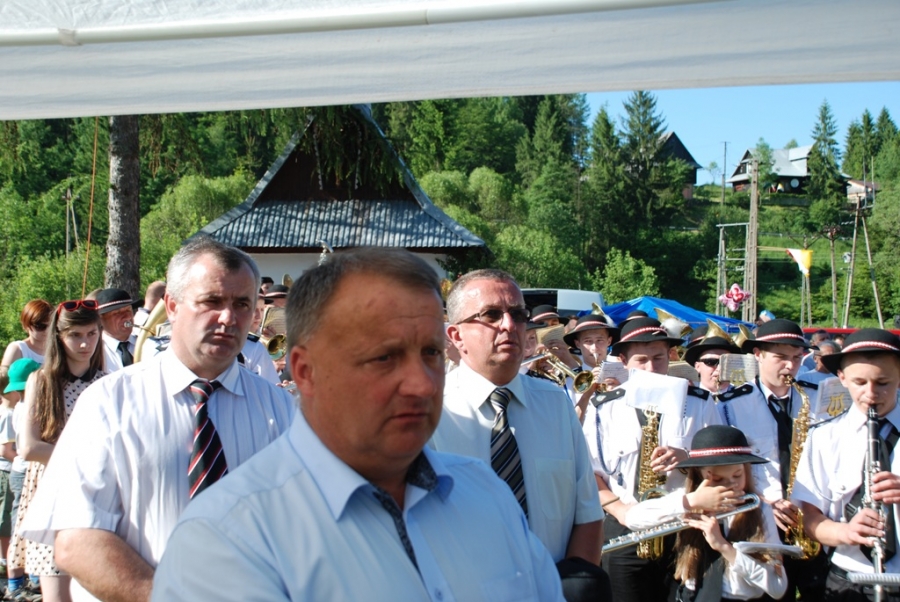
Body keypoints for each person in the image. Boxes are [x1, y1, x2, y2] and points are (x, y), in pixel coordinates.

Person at [151, 248, 564, 601]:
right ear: (306, 371)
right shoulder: (227, 540)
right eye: (384, 356)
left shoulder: (486, 494)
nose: (422, 384)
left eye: (431, 353)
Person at [19, 237, 296, 602]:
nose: (228, 318)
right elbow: (75, 539)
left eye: (242, 304)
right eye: (211, 301)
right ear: (172, 306)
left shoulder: (282, 411)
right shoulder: (107, 404)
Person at [432, 269, 604, 572]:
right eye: (491, 314)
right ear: (456, 336)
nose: (509, 325)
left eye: (518, 314)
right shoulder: (429, 413)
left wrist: (572, 586)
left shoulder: (556, 405)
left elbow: (588, 516)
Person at [588, 316, 721, 602]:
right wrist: (621, 511)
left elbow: (720, 462)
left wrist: (687, 456)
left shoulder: (699, 401)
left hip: (683, 525)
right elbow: (589, 472)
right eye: (641, 360)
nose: (651, 368)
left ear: (671, 355)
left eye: (658, 358)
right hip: (624, 524)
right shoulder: (603, 407)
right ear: (623, 361)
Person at [717, 318, 824, 600]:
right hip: (761, 517)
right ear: (758, 354)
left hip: (811, 516)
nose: (790, 366)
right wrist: (767, 503)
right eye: (780, 357)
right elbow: (727, 468)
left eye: (796, 358)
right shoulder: (731, 404)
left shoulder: (816, 398)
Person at [793, 328, 900, 601]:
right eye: (859, 382)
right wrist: (847, 532)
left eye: (883, 382)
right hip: (849, 580)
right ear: (841, 377)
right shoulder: (824, 436)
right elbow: (812, 519)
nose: (871, 393)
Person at [625, 425, 788, 601]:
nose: (731, 485)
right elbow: (633, 519)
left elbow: (777, 587)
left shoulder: (760, 511)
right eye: (717, 479)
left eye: (737, 475)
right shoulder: (688, 501)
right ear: (699, 474)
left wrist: (723, 546)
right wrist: (691, 501)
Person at [13, 299, 106, 602]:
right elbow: (28, 447)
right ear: (59, 336)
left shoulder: (109, 384)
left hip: (98, 494)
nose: (85, 343)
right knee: (57, 592)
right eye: (75, 335)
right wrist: (87, 457)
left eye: (92, 334)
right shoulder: (41, 381)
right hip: (53, 493)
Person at [2, 359, 42, 602]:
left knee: (29, 525)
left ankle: (31, 578)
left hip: (22, 469)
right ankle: (16, 583)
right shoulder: (27, 408)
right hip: (26, 470)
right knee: (23, 526)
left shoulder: (20, 405)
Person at [0, 300, 52, 391]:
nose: (47, 330)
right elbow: (3, 380)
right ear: (26, 325)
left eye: (51, 326)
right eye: (40, 326)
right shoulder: (18, 349)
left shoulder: (58, 348)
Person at [683, 323, 743, 396]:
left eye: (726, 362)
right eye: (711, 362)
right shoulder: (686, 397)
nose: (719, 368)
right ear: (697, 366)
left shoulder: (746, 397)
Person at [92, 288, 141, 372]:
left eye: (128, 310)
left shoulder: (145, 343)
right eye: (117, 313)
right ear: (101, 319)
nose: (127, 317)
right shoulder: (94, 351)